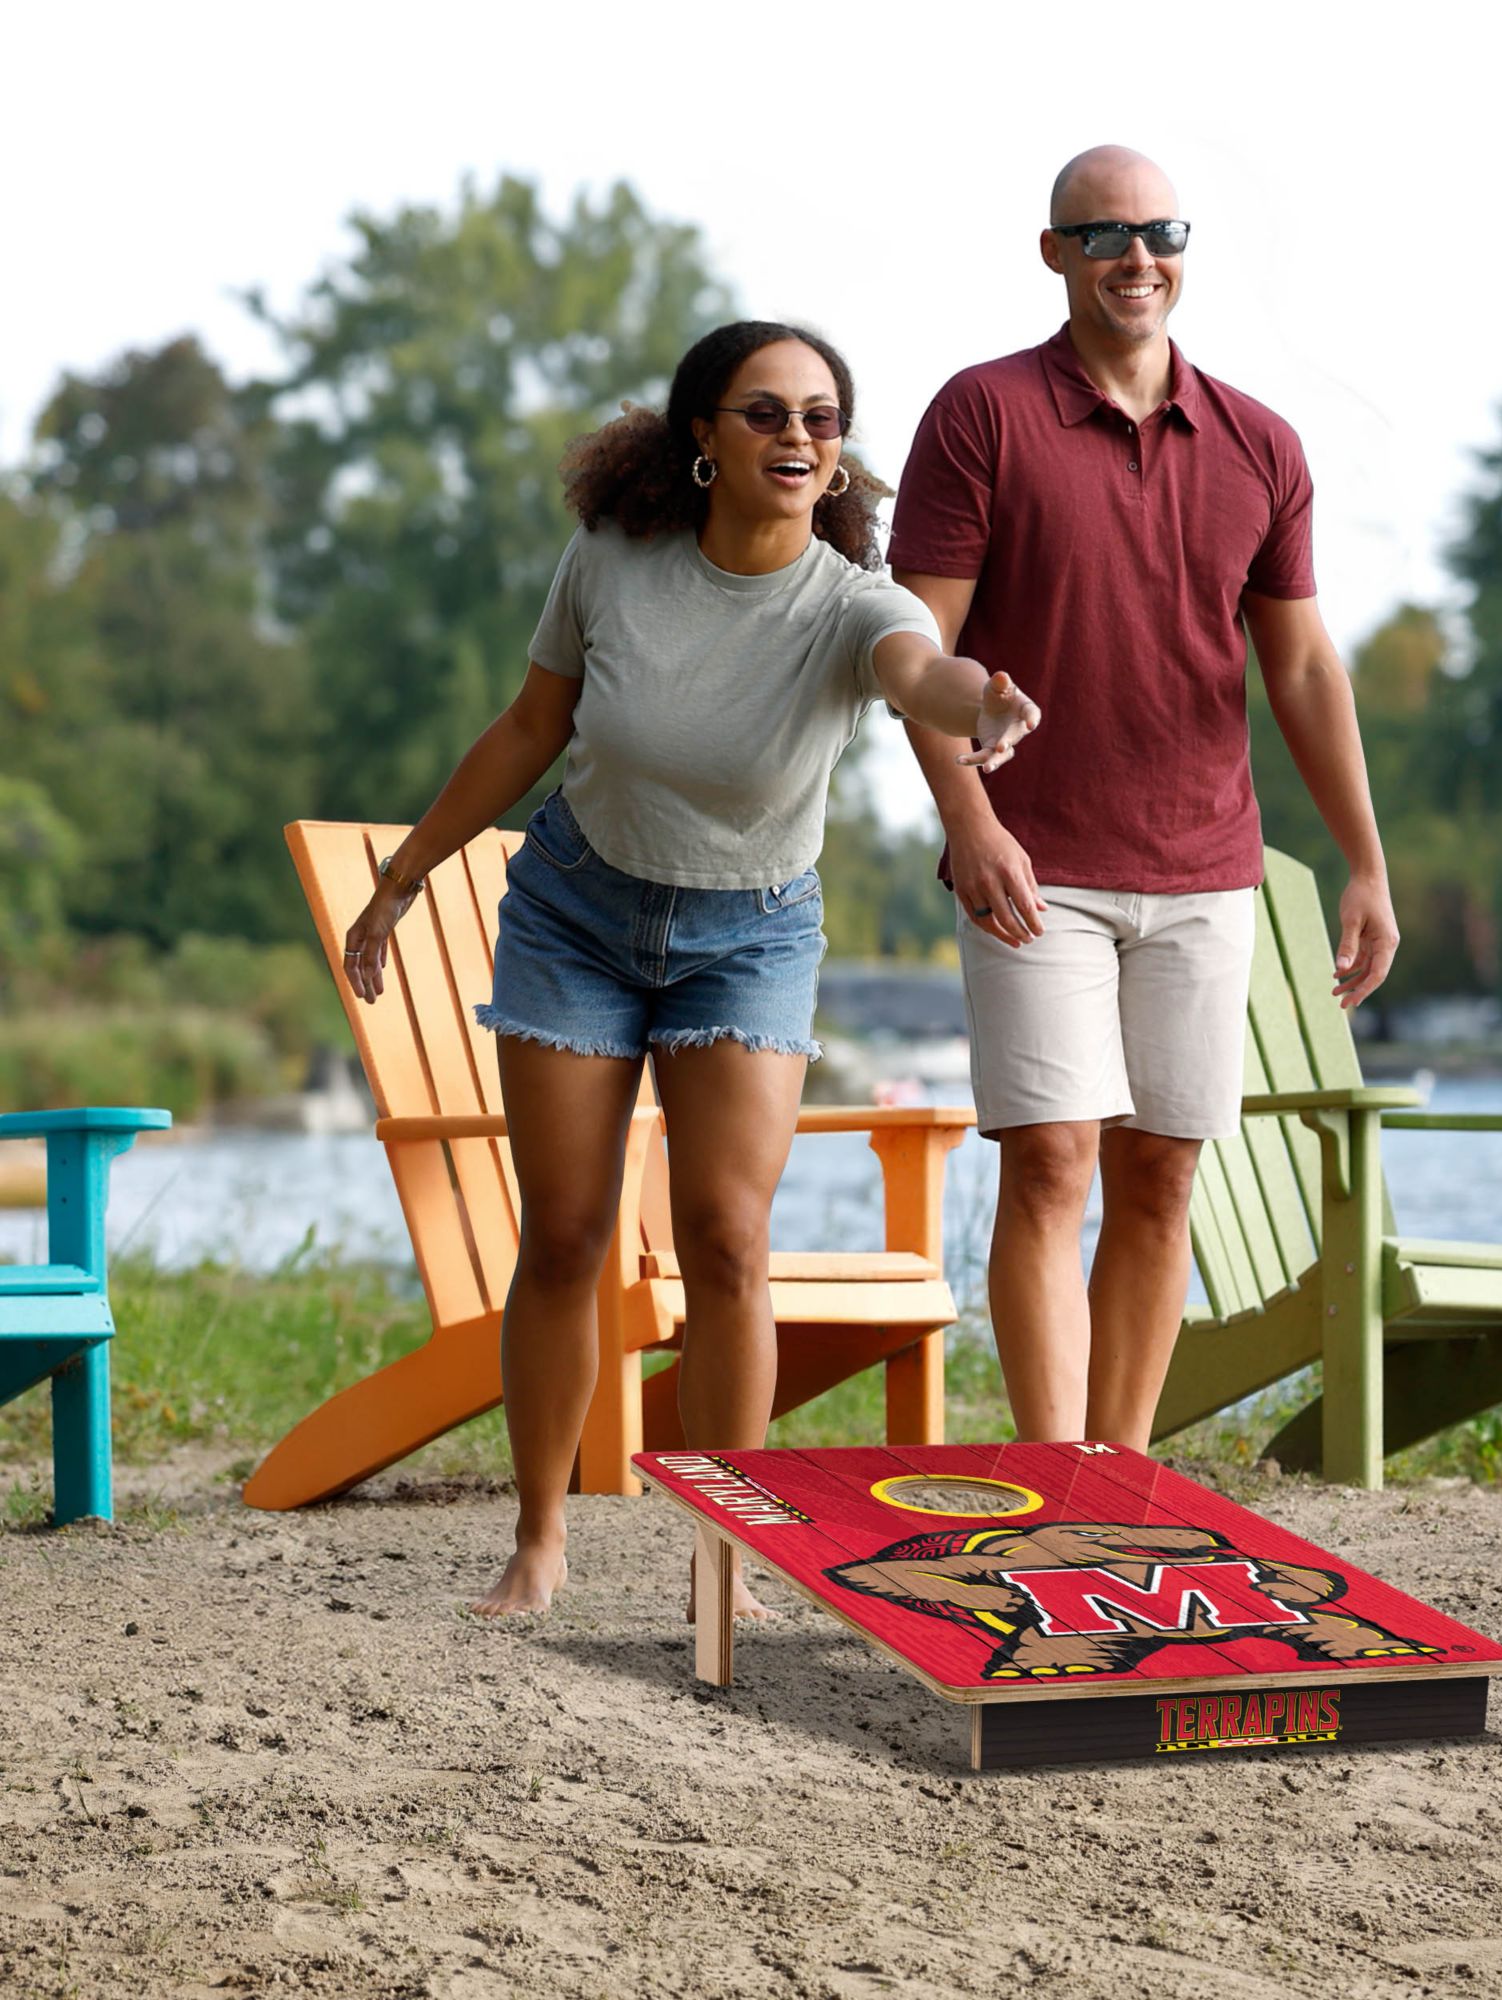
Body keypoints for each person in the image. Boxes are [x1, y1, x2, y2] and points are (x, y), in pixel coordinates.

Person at [341, 320, 1040, 1617]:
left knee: (727, 1241)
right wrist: (406, 874)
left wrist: (982, 706)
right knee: (566, 1234)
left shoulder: (854, 603)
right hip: (576, 915)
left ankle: (727, 1556)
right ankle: (539, 1538)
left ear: (839, 455)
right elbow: (531, 727)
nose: (796, 436)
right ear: (704, 437)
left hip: (751, 935)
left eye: (820, 417)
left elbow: (920, 674)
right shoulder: (613, 560)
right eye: (765, 412)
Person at [887, 145, 1397, 1452]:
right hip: (1034, 863)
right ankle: (1056, 1476)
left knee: (1162, 1175)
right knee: (1052, 1160)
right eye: (1104, 235)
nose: (1136, 257)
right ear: (1053, 254)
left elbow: (1302, 668)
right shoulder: (981, 415)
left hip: (1205, 868)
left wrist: (1365, 862)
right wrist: (969, 823)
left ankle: (1119, 1475)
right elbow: (913, 650)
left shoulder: (1260, 444)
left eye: (1160, 232)